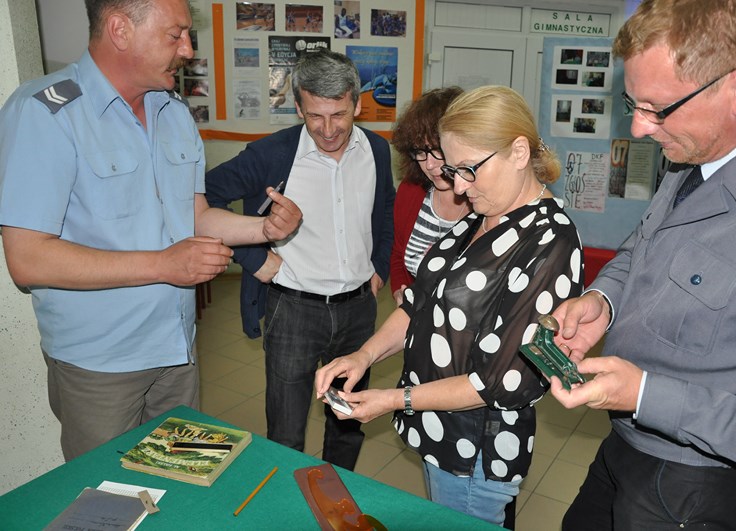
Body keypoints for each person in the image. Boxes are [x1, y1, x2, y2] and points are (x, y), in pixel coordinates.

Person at [0, 0, 301, 461]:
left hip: (177, 351)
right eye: (175, 35)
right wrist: (163, 265)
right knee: (108, 493)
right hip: (100, 364)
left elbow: (194, 216)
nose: (188, 50)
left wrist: (264, 228)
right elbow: (27, 259)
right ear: (120, 30)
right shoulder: (46, 112)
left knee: (180, 481)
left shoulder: (173, 112)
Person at [548, 1, 736, 529]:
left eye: (657, 108)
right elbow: (641, 248)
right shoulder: (698, 153)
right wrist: (603, 302)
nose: (639, 129)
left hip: (701, 481)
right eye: (633, 104)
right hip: (627, 442)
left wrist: (646, 394)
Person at [315, 85, 583, 526]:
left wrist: (393, 399)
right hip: (438, 430)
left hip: (474, 448)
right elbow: (419, 303)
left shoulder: (549, 241)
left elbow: (498, 382)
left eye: (469, 170)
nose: (458, 186)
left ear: (519, 152)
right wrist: (363, 355)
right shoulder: (481, 214)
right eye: (454, 170)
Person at [205, 48, 394, 472]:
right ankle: (286, 502)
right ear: (298, 107)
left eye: (339, 115)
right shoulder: (270, 154)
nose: (327, 130)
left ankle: (338, 494)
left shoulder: (377, 151)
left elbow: (385, 209)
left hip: (358, 310)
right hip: (293, 311)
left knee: (347, 423)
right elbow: (204, 199)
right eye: (315, 116)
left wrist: (380, 268)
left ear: (357, 104)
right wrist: (254, 258)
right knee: (286, 431)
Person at [390, 86, 467, 303]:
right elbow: (398, 254)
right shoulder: (410, 191)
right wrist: (399, 292)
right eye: (420, 151)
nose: (430, 164)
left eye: (438, 150)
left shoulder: (486, 202)